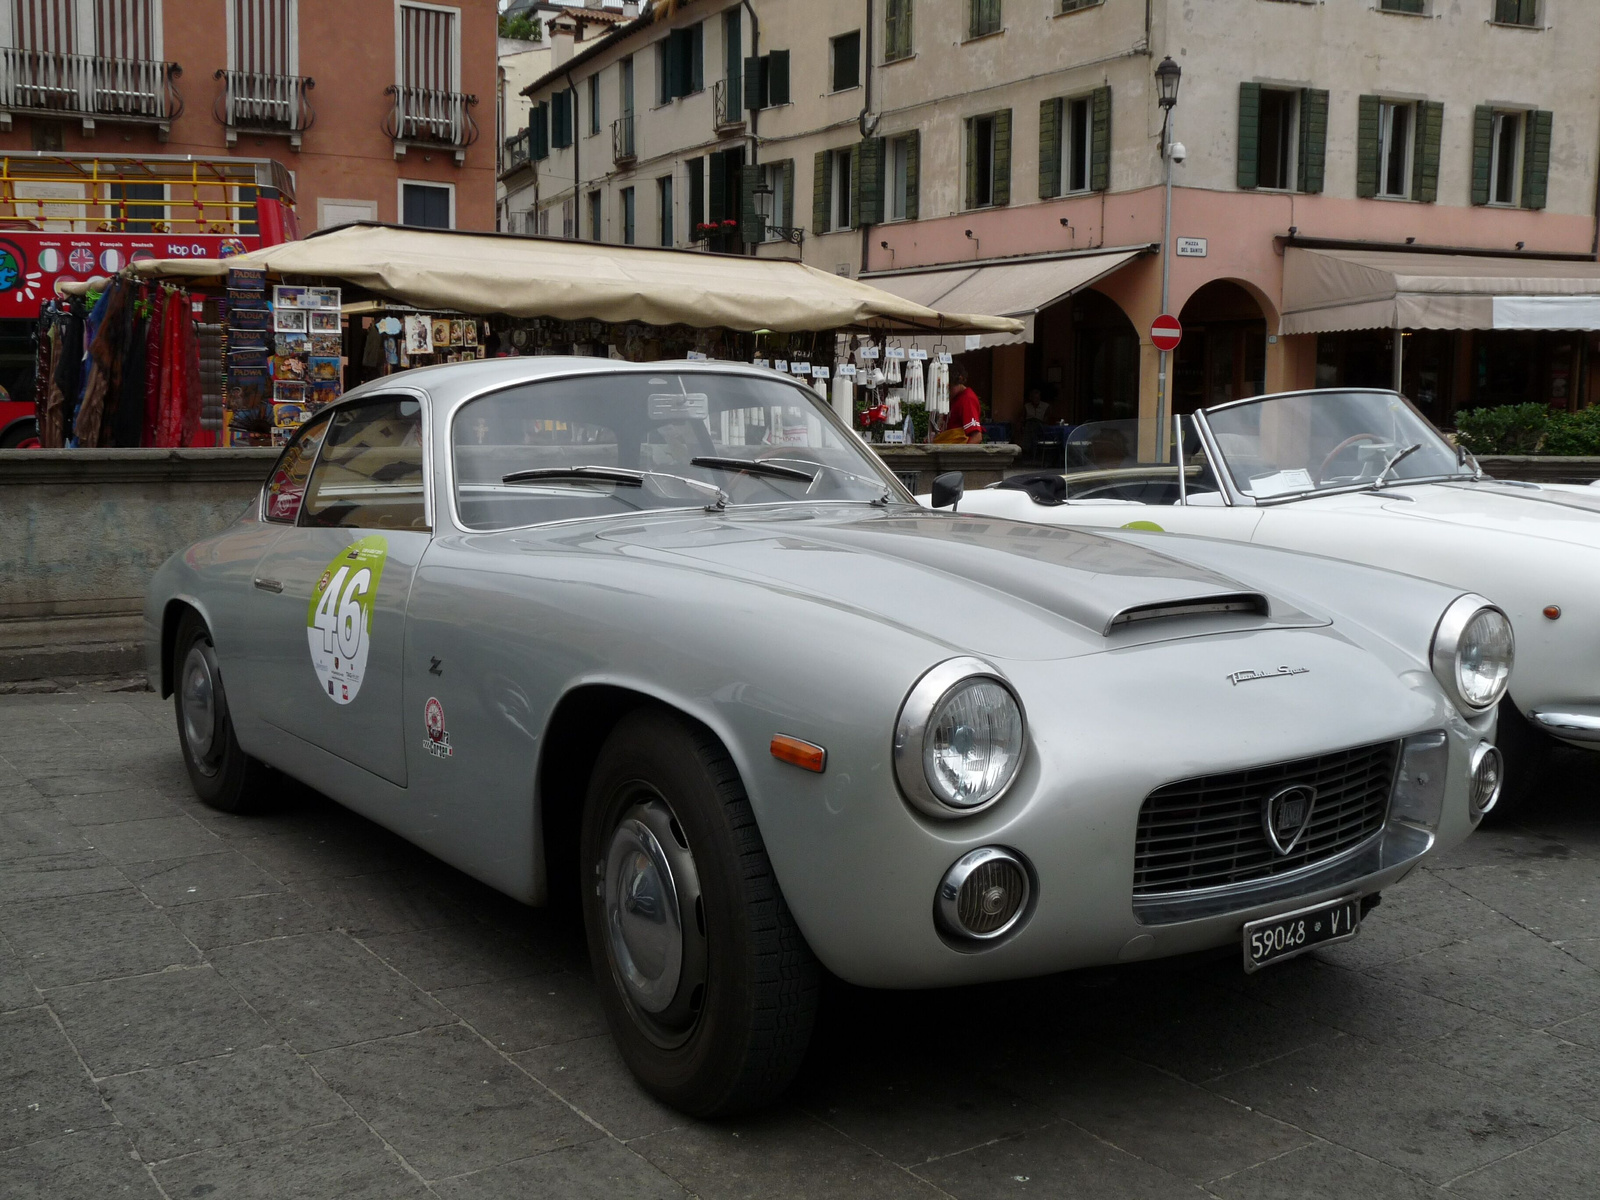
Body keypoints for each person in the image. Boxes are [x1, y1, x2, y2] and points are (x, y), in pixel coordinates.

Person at [946, 363, 984, 443]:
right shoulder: (954, 398)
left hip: (957, 452)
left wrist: (961, 455)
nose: (946, 391)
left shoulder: (967, 399)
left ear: (959, 380)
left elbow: (977, 436)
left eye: (950, 387)